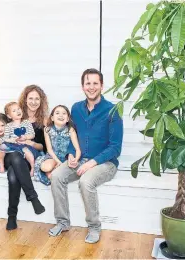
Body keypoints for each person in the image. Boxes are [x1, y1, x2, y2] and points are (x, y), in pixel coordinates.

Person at [49, 68, 123, 244]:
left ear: (102, 86)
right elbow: (71, 136)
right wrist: (70, 155)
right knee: (57, 176)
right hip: (80, 159)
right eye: (88, 83)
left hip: (105, 163)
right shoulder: (75, 108)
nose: (91, 87)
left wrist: (91, 163)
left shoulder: (112, 110)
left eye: (95, 83)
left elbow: (115, 147)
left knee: (85, 181)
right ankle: (63, 222)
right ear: (83, 86)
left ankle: (94, 227)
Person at [0, 85, 49, 230]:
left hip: (27, 156)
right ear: (25, 100)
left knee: (14, 175)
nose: (34, 102)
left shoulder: (44, 121)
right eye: (30, 98)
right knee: (14, 156)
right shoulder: (14, 114)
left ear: (42, 101)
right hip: (9, 154)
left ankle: (12, 217)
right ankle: (33, 197)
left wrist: (29, 142)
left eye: (37, 99)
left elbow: (43, 147)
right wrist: (0, 145)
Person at [34, 105, 81, 182]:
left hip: (65, 158)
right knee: (46, 167)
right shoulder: (47, 129)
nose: (61, 115)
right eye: (57, 113)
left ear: (68, 119)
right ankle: (53, 169)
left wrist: (76, 159)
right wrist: (57, 161)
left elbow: (77, 149)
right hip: (52, 157)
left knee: (64, 173)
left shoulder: (70, 130)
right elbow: (49, 149)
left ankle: (54, 172)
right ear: (52, 118)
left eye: (64, 113)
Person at [0, 102, 41, 177]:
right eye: (14, 111)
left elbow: (32, 135)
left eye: (18, 109)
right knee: (1, 148)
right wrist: (14, 140)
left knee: (27, 152)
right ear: (9, 116)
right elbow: (6, 138)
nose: (18, 111)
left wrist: (25, 137)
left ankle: (32, 168)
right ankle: (1, 164)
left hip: (23, 144)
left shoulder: (26, 122)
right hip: (13, 144)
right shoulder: (8, 125)